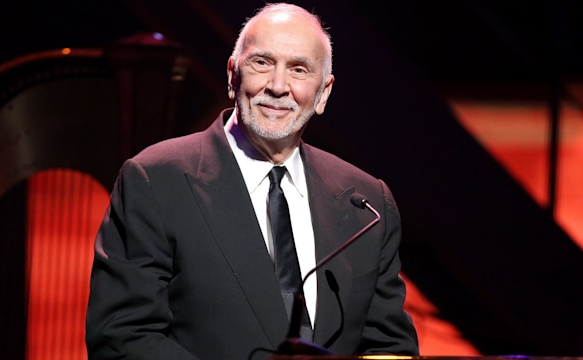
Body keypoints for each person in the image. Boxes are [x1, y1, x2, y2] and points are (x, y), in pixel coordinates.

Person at [85, 3, 419, 359]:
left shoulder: (368, 203)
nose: (278, 86)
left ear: (323, 93)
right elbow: (122, 338)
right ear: (232, 75)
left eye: (299, 70)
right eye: (262, 62)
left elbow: (391, 347)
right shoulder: (155, 179)